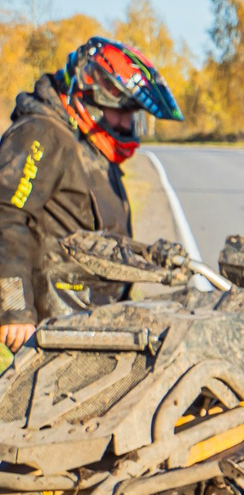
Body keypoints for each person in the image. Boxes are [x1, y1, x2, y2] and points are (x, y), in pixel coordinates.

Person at [0, 37, 183, 349]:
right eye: (121, 111)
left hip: (91, 319)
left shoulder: (87, 143)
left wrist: (151, 260)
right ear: (92, 103)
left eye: (132, 113)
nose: (127, 123)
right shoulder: (42, 133)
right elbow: (7, 217)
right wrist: (15, 309)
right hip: (55, 327)